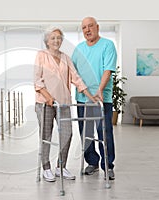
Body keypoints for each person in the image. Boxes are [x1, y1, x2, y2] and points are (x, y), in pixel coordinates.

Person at [34, 26, 96, 182]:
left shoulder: (66, 58)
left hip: (64, 103)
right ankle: (46, 168)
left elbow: (76, 78)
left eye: (59, 38)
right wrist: (48, 97)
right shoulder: (41, 55)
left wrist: (91, 97)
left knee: (67, 134)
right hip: (45, 103)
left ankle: (61, 167)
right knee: (46, 135)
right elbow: (37, 80)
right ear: (47, 41)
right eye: (53, 38)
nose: (56, 40)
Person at [71, 16, 117, 180]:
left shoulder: (107, 45)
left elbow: (108, 70)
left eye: (90, 26)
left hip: (101, 98)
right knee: (85, 132)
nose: (87, 30)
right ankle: (92, 162)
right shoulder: (78, 49)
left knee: (104, 132)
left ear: (97, 27)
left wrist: (99, 90)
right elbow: (72, 73)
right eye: (84, 28)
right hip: (83, 99)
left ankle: (108, 165)